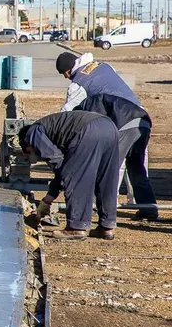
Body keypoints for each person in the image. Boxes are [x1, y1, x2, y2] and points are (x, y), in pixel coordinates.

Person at [19, 110, 121, 240]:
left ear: (26, 142)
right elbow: (63, 167)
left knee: (76, 178)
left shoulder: (32, 133)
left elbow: (59, 164)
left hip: (87, 130)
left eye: (28, 151)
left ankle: (76, 228)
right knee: (106, 178)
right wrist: (47, 200)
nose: (33, 154)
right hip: (109, 127)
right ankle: (107, 227)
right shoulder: (56, 131)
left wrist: (52, 194)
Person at [77, 93, 159, 221]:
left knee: (108, 168)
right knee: (136, 168)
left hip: (127, 125)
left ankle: (92, 206)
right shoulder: (98, 100)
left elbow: (98, 127)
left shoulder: (89, 105)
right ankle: (149, 209)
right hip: (143, 124)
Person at [57, 51, 140, 111]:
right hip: (140, 111)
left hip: (123, 118)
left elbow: (67, 113)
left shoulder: (79, 83)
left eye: (64, 74)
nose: (65, 77)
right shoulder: (104, 66)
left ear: (68, 71)